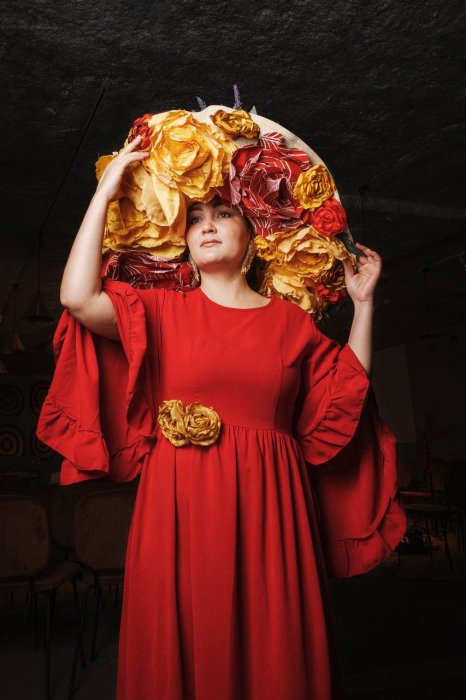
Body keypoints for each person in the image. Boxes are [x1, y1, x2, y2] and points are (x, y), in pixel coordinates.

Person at [39, 129, 405, 700]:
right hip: (178, 501)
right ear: (184, 242)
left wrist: (363, 306)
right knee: (185, 635)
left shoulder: (290, 322)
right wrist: (105, 192)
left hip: (272, 502)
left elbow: (345, 394)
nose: (206, 225)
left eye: (223, 214)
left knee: (271, 642)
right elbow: (77, 298)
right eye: (195, 218)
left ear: (251, 235)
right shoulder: (159, 310)